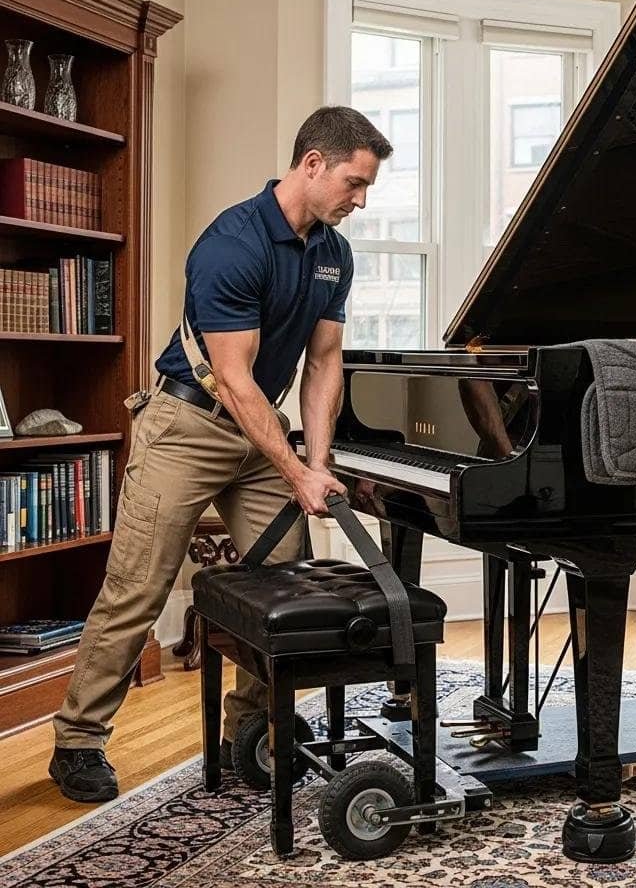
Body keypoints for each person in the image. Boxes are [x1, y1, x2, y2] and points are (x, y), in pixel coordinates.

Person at [49, 106, 392, 802]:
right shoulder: (232, 244)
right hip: (190, 423)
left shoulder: (334, 253)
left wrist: (316, 463)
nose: (361, 201)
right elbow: (234, 381)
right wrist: (295, 470)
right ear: (313, 163)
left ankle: (252, 733)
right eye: (355, 184)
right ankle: (79, 741)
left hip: (261, 431)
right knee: (138, 587)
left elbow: (325, 363)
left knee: (286, 584)